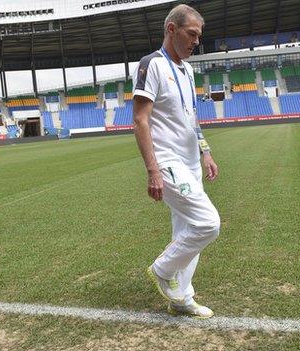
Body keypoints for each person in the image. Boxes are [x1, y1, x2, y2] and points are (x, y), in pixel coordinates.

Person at [132, 4, 220, 319]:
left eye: (199, 35)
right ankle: (162, 269)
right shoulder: (151, 65)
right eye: (191, 34)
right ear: (172, 29)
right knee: (208, 223)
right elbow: (141, 121)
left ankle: (181, 298)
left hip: (190, 161)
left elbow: (191, 116)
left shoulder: (187, 69)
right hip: (167, 160)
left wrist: (205, 151)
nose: (196, 41)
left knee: (186, 229)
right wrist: (152, 171)